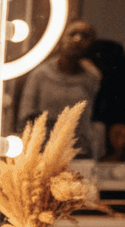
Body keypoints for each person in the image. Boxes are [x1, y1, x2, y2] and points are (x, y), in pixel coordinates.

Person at [17, 19, 103, 157]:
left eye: (85, 36)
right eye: (72, 33)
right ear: (61, 37)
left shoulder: (92, 78)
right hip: (42, 152)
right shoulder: (40, 74)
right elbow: (25, 116)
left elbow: (95, 121)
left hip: (79, 152)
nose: (77, 39)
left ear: (91, 43)